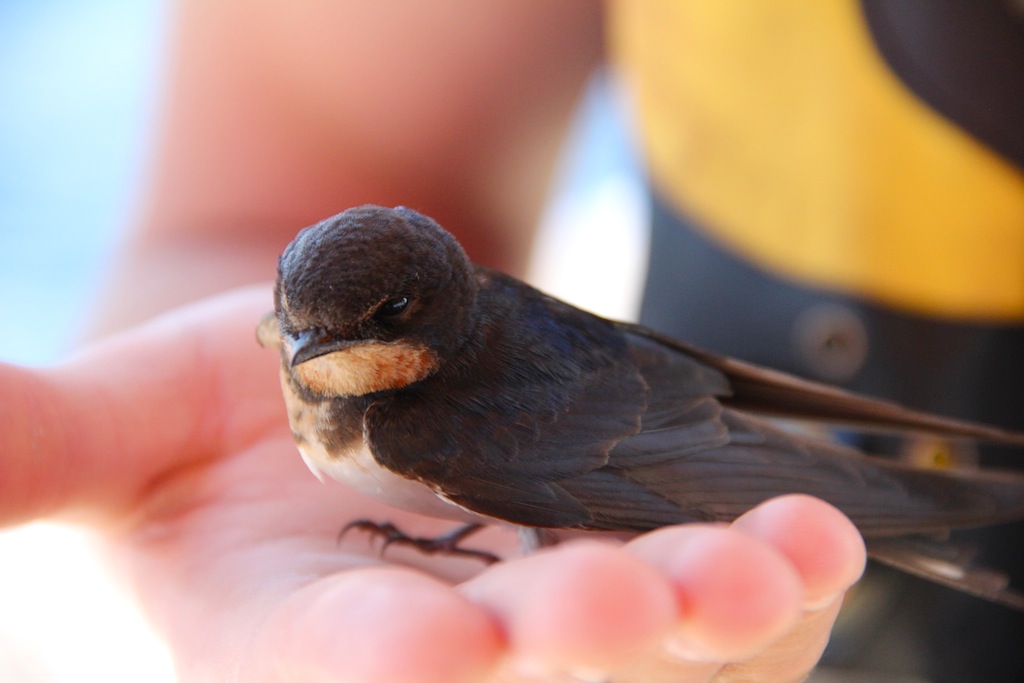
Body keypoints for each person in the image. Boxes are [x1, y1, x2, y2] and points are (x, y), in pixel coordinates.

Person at [3, 1, 1019, 680]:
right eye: (296, 330)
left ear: (430, 312)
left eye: (369, 326)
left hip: (666, 446)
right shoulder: (318, 344)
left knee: (874, 520)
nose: (305, 353)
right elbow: (278, 175)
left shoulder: (425, 426)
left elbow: (609, 462)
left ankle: (950, 525)